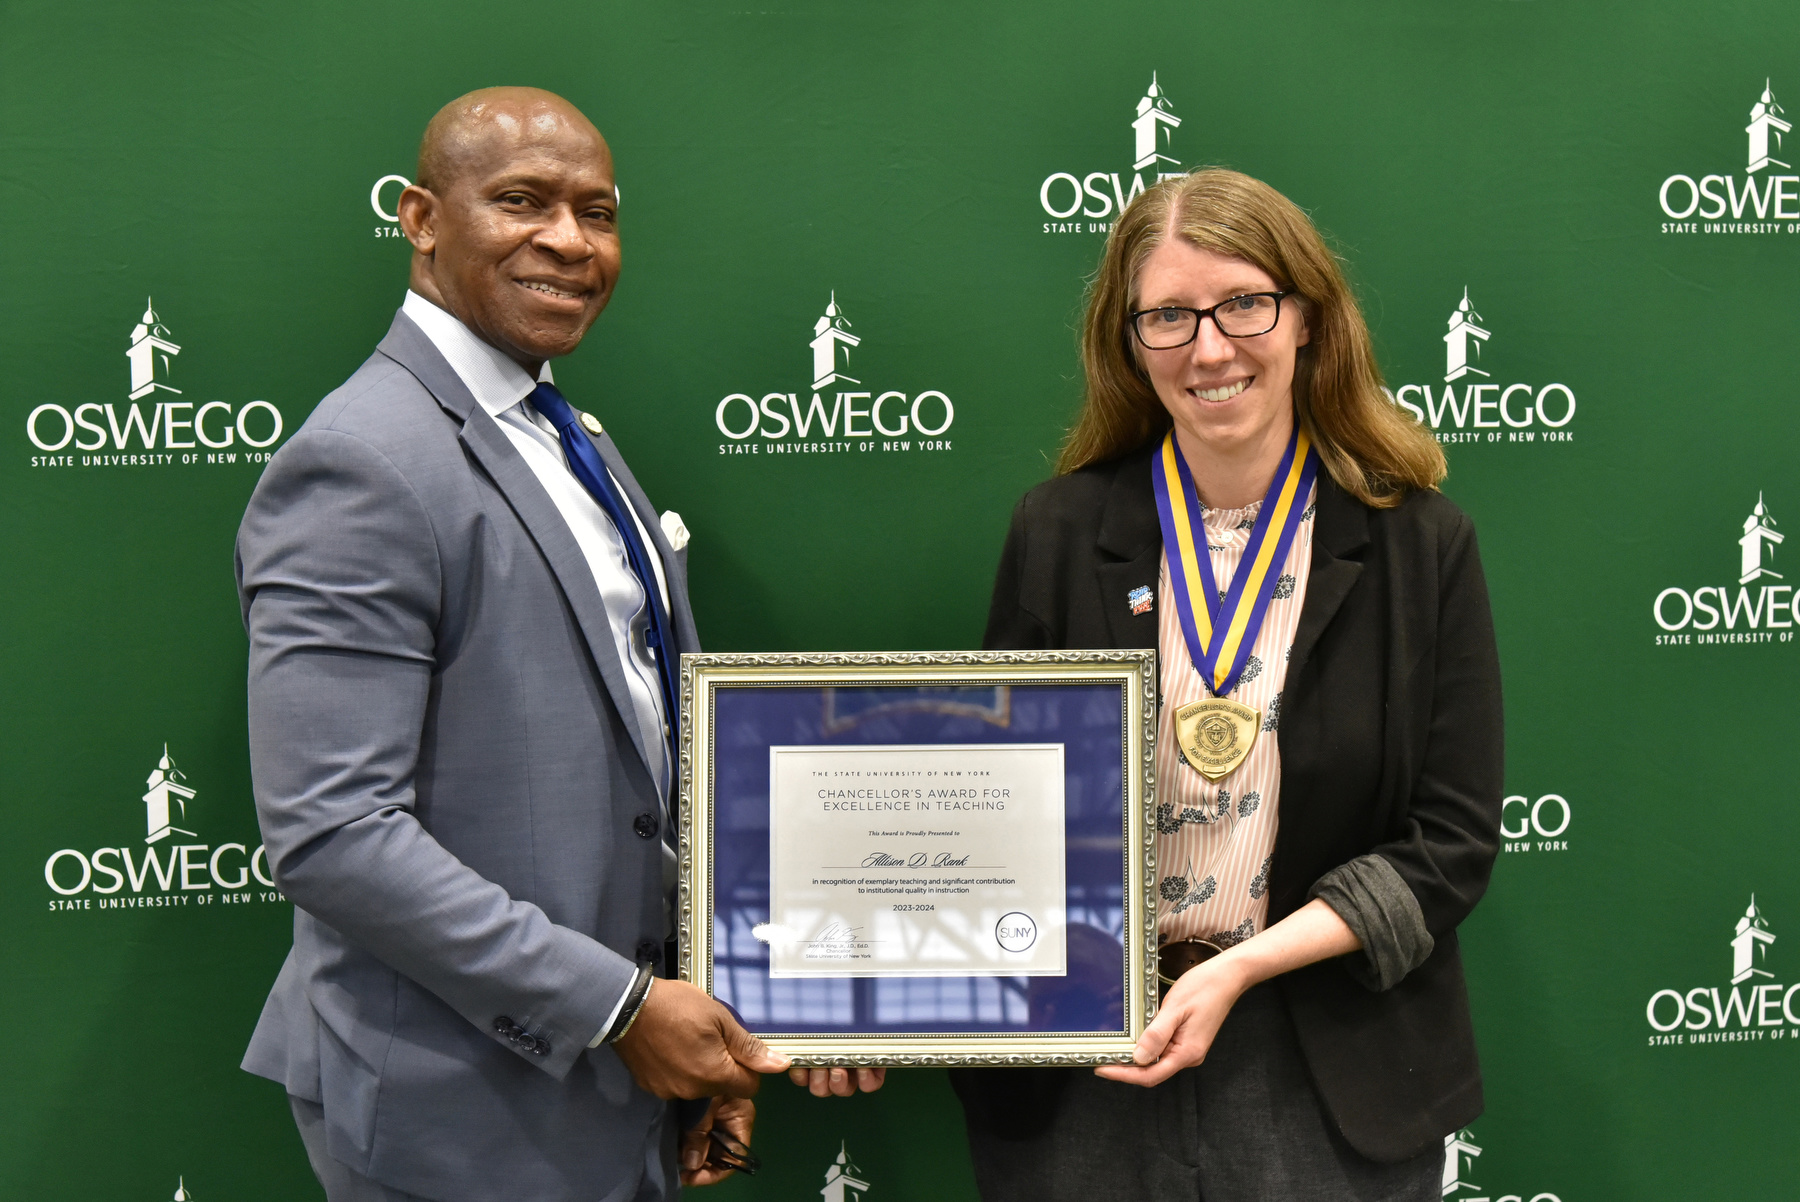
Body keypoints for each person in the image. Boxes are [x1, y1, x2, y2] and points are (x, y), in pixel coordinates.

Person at [236, 87, 875, 1202]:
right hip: (462, 1111)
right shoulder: (363, 463)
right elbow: (333, 833)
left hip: (615, 1087)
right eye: (521, 201)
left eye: (598, 211)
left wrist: (704, 1029)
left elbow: (650, 762)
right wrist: (622, 1009)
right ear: (422, 219)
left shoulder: (563, 432)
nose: (569, 242)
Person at [951, 169, 1503, 1200]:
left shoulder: (1421, 545)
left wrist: (1241, 964)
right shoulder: (1057, 532)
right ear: (1130, 343)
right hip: (1083, 1060)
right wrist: (854, 986)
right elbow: (988, 817)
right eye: (1168, 315)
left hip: (1323, 1059)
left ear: (1308, 319)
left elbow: (1452, 841)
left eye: (1244, 302)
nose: (1209, 346)